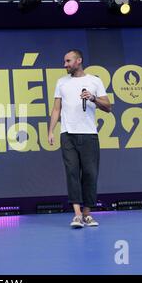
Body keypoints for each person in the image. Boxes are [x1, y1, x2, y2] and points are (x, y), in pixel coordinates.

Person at [48, 49, 111, 228]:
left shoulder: (94, 81)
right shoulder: (61, 82)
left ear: (79, 61)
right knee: (72, 173)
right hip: (67, 134)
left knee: (90, 173)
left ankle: (87, 213)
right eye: (65, 61)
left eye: (68, 61)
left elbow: (108, 106)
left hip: (89, 134)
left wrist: (92, 98)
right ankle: (76, 215)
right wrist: (50, 131)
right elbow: (56, 109)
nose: (65, 65)